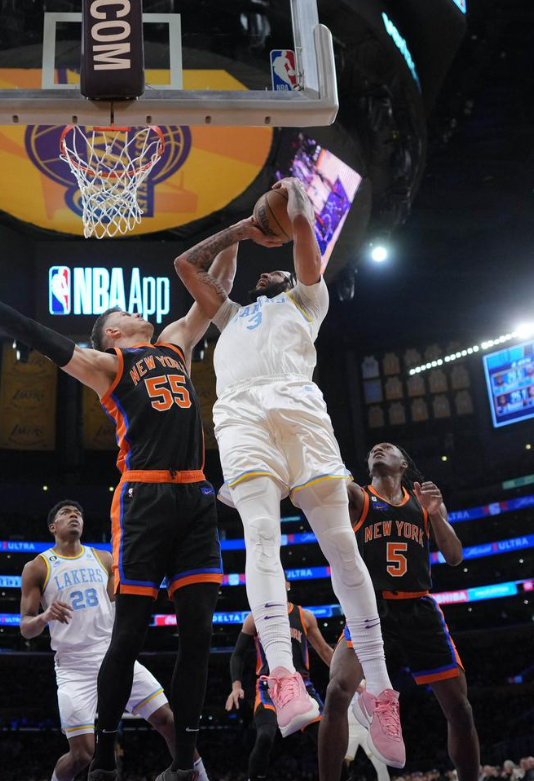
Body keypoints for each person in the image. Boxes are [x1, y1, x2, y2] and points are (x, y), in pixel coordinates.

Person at [0, 246, 241, 781]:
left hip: (195, 495)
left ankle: (185, 763)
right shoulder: (106, 365)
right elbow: (37, 335)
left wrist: (241, 232)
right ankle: (105, 762)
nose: (134, 311)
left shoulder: (176, 344)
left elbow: (217, 290)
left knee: (199, 639)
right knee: (130, 633)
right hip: (143, 499)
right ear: (112, 334)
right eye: (121, 313)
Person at [172, 178, 403, 762]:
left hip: (299, 406)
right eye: (263, 272)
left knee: (342, 549)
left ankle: (380, 694)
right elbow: (185, 264)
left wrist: (294, 199)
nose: (269, 275)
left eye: (279, 270)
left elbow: (302, 228)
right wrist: (245, 229)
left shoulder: (308, 299)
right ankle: (282, 675)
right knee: (260, 535)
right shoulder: (230, 315)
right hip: (241, 414)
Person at [317, 443, 477, 781]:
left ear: (403, 463)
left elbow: (455, 556)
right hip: (371, 609)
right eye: (372, 450)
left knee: (460, 708)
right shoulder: (358, 497)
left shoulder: (423, 502)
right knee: (336, 691)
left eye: (386, 449)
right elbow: (330, 483)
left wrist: (435, 514)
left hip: (418, 607)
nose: (376, 450)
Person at [23, 500, 210, 781]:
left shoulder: (103, 559)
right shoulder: (37, 567)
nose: (74, 515)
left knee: (170, 722)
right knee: (83, 755)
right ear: (53, 526)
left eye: (78, 513)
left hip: (113, 656)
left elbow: (123, 605)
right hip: (74, 667)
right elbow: (26, 628)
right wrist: (45, 616)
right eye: (65, 513)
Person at [225, 589, 333, 780]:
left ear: (288, 584)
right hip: (269, 685)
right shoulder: (254, 617)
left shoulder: (304, 616)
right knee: (265, 735)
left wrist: (351, 679)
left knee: (328, 741)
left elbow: (324, 650)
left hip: (301, 684)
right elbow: (238, 654)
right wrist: (236, 685)